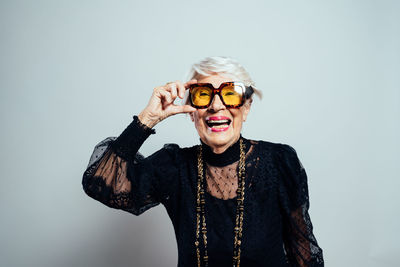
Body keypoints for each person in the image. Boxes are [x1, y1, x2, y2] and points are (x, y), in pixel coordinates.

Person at [82, 56, 324, 267]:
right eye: (203, 95)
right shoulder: (174, 166)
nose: (216, 105)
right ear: (191, 112)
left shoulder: (280, 162)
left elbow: (304, 254)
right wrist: (148, 118)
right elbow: (100, 184)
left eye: (230, 94)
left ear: (247, 107)